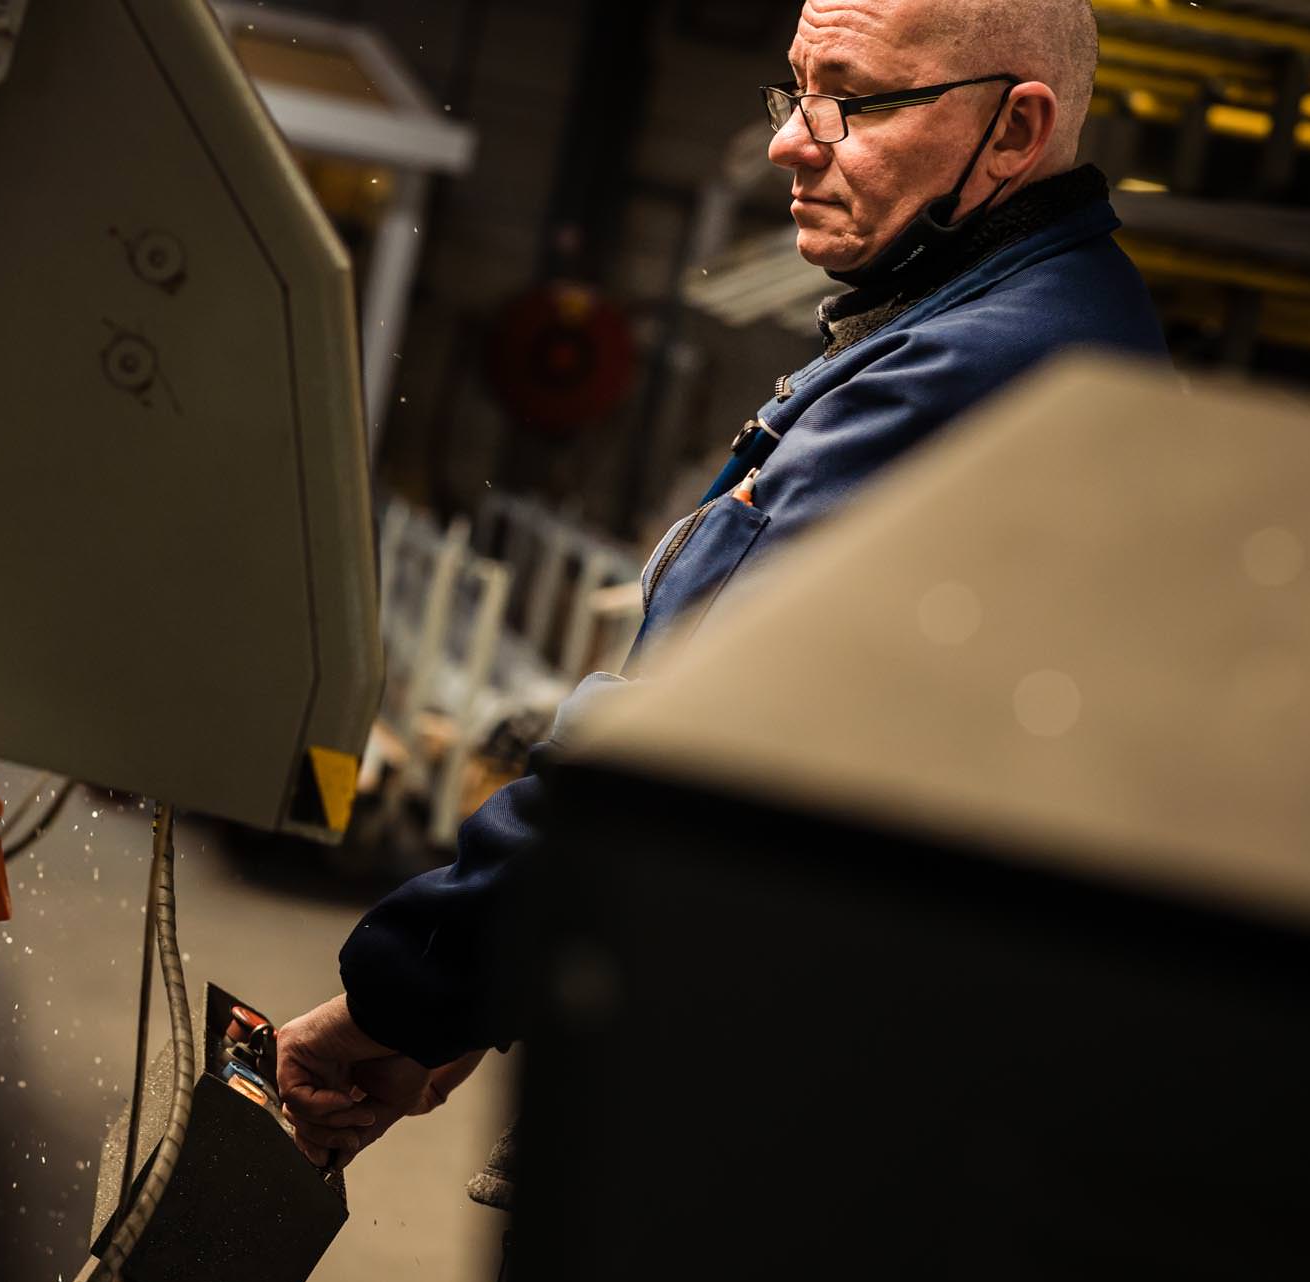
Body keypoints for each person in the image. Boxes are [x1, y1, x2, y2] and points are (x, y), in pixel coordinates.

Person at [275, 0, 1169, 1166]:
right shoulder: (1010, 321)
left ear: (1011, 133)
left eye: (848, 101)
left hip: (833, 1110)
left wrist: (410, 989)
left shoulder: (979, 373)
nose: (789, 142)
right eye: (792, 91)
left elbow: (669, 747)